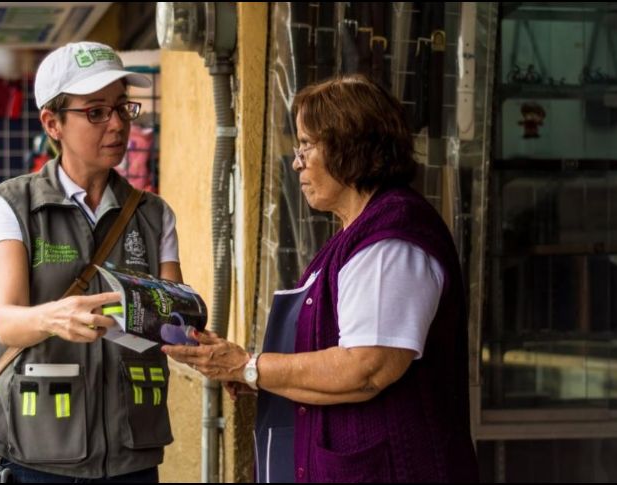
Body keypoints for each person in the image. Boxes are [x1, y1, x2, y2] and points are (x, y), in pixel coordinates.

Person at [162, 75, 478, 482]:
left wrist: (250, 366)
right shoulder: (354, 232)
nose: (297, 161)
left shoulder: (391, 239)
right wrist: (259, 376)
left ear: (349, 145)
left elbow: (366, 369)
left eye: (307, 145)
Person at [0, 41, 182, 482]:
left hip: (131, 451)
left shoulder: (154, 214)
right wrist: (54, 317)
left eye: (123, 108)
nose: (117, 125)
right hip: (38, 449)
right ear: (53, 123)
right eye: (96, 112)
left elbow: (176, 317)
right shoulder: (13, 205)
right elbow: (7, 320)